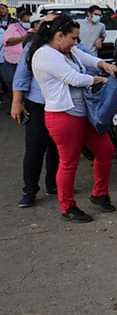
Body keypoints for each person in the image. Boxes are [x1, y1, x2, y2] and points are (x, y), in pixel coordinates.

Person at [29, 15, 117, 222]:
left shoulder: (68, 50)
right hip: (63, 116)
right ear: (59, 35)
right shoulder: (44, 55)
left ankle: (99, 194)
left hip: (83, 113)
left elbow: (85, 57)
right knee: (69, 163)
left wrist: (102, 63)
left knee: (106, 151)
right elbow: (73, 78)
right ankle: (67, 207)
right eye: (73, 38)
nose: (76, 42)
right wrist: (100, 78)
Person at [11, 14, 58, 207]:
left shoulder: (70, 47)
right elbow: (21, 76)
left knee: (56, 148)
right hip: (37, 105)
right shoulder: (33, 49)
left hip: (60, 106)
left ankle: (53, 184)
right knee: (35, 149)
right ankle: (30, 190)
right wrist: (17, 102)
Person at [2, 9, 31, 98]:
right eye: (25, 21)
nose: (27, 23)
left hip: (26, 61)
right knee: (12, 83)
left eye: (29, 21)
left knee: (25, 84)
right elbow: (8, 41)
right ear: (20, 20)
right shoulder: (13, 28)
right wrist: (24, 37)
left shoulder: (33, 29)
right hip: (12, 61)